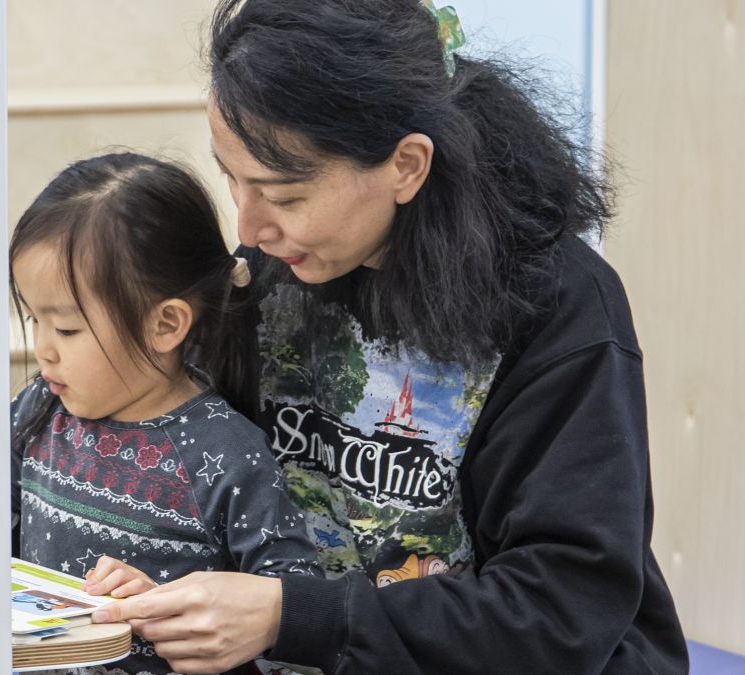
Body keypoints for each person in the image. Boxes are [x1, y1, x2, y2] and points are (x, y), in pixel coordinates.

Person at [84, 1, 688, 673]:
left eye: (282, 195)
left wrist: (295, 614)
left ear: (406, 165)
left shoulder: (558, 310)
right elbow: (173, 432)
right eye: (231, 177)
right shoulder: (275, 268)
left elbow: (558, 612)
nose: (249, 227)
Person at [0, 152, 322, 675]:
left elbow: (288, 600)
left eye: (66, 329)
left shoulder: (225, 453)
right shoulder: (44, 406)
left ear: (165, 325)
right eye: (33, 320)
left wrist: (163, 603)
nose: (44, 348)